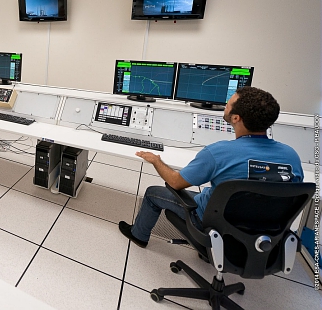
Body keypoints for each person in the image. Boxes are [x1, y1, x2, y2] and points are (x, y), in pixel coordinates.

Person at [119, 86, 303, 248]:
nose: (225, 105)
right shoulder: (291, 156)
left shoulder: (218, 152)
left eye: (228, 104)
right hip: (267, 230)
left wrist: (156, 160)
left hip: (214, 223)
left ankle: (138, 235)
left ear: (236, 118)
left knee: (152, 193)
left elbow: (175, 182)